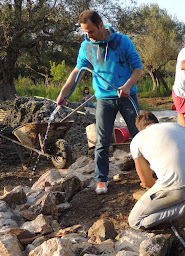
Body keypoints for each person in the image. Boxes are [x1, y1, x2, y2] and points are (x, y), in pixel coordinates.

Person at [56, 10, 143, 194]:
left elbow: (138, 69)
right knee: (102, 141)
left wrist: (127, 86)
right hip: (104, 99)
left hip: (127, 96)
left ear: (101, 25)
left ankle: (148, 172)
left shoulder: (122, 41)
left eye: (91, 31)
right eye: (85, 32)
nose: (88, 35)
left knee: (140, 136)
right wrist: (64, 93)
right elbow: (76, 73)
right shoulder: (86, 47)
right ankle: (101, 180)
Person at [128, 111, 185, 230]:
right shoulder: (176, 126)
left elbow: (146, 182)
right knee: (177, 187)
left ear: (140, 129)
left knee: (135, 221)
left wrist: (158, 194)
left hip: (181, 185)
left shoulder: (137, 140)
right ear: (157, 122)